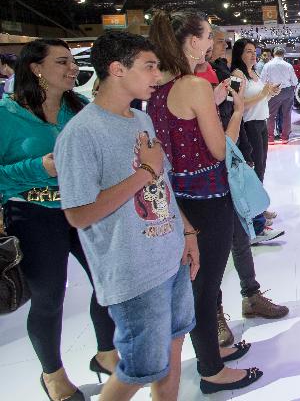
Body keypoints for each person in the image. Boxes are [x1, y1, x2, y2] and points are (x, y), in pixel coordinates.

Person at [54, 32, 198, 401]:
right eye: (148, 66)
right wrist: (144, 173)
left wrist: (187, 231)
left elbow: (160, 186)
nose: (157, 73)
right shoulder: (80, 134)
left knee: (175, 345)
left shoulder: (140, 118)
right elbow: (78, 214)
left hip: (170, 255)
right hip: (133, 272)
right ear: (117, 69)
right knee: (140, 368)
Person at [146, 10, 263, 395]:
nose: (213, 43)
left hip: (180, 199)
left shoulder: (160, 88)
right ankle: (212, 370)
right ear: (194, 42)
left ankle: (212, 354)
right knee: (206, 285)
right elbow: (217, 150)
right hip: (210, 196)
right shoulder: (193, 85)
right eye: (209, 35)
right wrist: (236, 111)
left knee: (200, 284)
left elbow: (178, 138)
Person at [0, 39, 117, 401]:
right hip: (33, 216)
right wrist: (40, 167)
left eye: (71, 62)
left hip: (84, 209)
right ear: (35, 68)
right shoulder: (6, 116)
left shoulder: (78, 107)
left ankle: (106, 353)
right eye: (62, 62)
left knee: (108, 283)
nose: (73, 69)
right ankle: (53, 375)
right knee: (49, 297)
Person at [207, 32, 287, 344]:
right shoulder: (193, 80)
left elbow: (231, 113)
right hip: (204, 173)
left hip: (231, 148)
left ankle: (250, 295)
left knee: (239, 237)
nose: (220, 46)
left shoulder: (218, 73)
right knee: (210, 252)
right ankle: (212, 314)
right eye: (214, 41)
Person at [230, 39, 285, 246]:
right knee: (254, 172)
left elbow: (260, 100)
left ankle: (259, 210)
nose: (253, 55)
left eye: (255, 51)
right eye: (248, 52)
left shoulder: (254, 72)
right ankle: (255, 222)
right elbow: (238, 106)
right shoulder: (237, 75)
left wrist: (269, 94)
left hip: (261, 122)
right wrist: (263, 93)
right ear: (239, 54)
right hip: (249, 126)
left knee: (260, 169)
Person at [260, 47, 297, 143]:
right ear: (283, 55)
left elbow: (262, 81)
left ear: (273, 54)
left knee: (271, 115)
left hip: (273, 90)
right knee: (287, 114)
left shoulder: (267, 65)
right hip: (287, 91)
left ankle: (270, 138)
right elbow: (295, 81)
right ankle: (285, 137)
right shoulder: (288, 65)